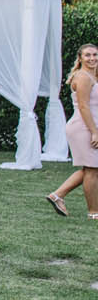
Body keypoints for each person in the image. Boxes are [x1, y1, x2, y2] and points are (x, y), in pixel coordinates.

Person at [46, 43, 98, 216]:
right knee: (92, 170)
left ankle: (57, 195)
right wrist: (94, 131)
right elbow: (83, 106)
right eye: (88, 55)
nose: (92, 58)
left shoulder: (91, 76)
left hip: (89, 126)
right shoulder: (83, 77)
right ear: (80, 58)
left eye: (95, 55)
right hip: (83, 127)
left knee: (90, 169)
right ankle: (93, 212)